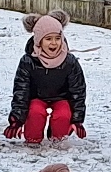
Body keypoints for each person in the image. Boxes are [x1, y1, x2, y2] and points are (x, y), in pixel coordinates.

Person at [7, 11, 87, 145]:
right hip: (37, 98)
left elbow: (78, 91)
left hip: (61, 98)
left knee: (62, 114)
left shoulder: (70, 61)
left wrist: (77, 120)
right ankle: (32, 140)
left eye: (57, 38)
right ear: (39, 40)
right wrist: (16, 120)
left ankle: (58, 139)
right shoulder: (28, 61)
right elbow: (21, 91)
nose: (54, 43)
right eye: (48, 39)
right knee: (35, 112)